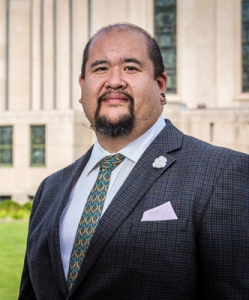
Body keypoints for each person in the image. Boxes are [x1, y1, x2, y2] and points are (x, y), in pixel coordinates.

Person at [19, 23, 249, 299]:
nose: (114, 80)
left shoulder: (222, 173)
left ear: (160, 84)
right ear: (83, 87)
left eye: (130, 68)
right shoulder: (50, 189)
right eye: (100, 68)